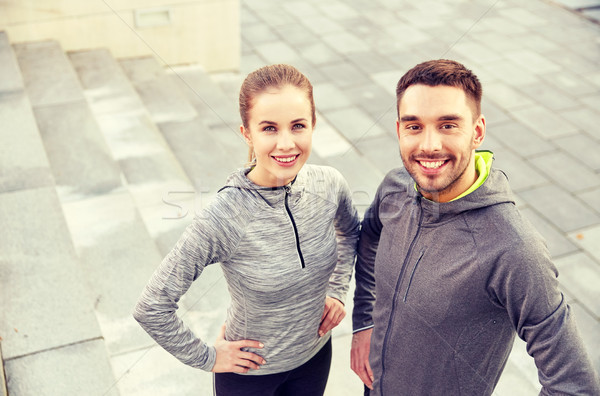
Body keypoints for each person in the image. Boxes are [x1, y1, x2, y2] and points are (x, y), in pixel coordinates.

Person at [350, 59, 600, 395]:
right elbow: (369, 241)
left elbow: (575, 384)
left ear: (477, 132)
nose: (429, 145)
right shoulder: (395, 187)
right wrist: (364, 320)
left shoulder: (513, 247)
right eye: (414, 126)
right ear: (399, 130)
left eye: (448, 125)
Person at [134, 64, 360, 395]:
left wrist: (338, 291)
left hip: (314, 359)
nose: (286, 144)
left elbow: (351, 232)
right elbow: (151, 307)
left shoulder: (329, 184)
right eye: (269, 128)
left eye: (298, 126)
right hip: (249, 377)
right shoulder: (224, 216)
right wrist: (208, 357)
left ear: (313, 125)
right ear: (247, 133)